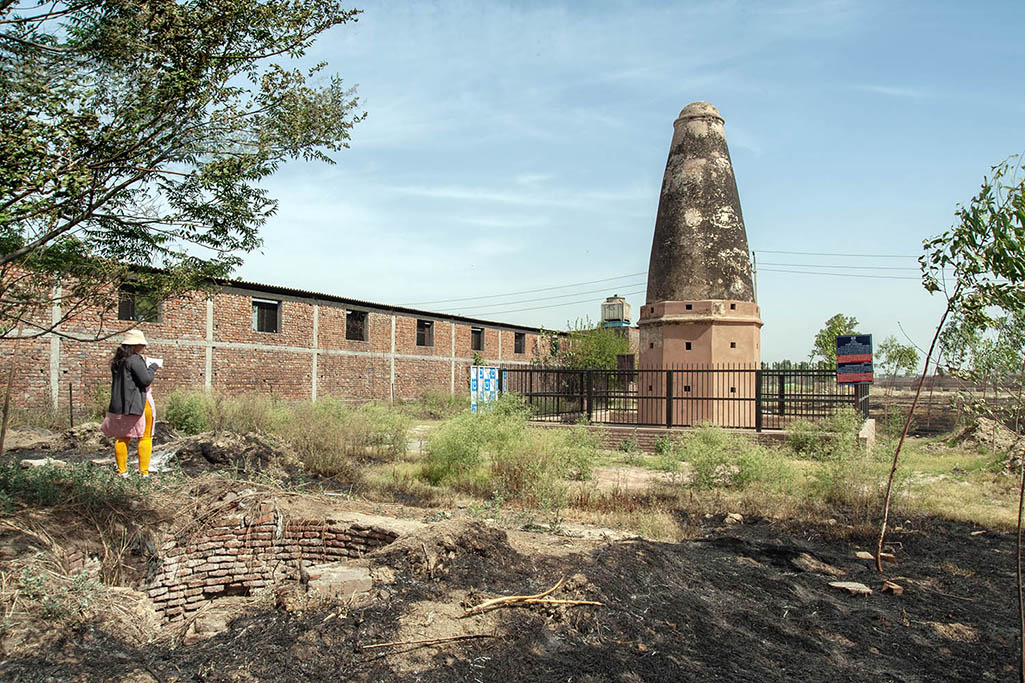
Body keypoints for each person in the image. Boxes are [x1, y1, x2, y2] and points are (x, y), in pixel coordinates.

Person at [100, 329, 159, 477]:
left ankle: (122, 472)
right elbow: (145, 379)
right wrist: (152, 368)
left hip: (120, 405)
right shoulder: (135, 359)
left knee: (122, 437)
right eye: (142, 344)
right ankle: (143, 473)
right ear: (136, 345)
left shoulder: (118, 361)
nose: (143, 347)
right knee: (145, 437)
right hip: (138, 404)